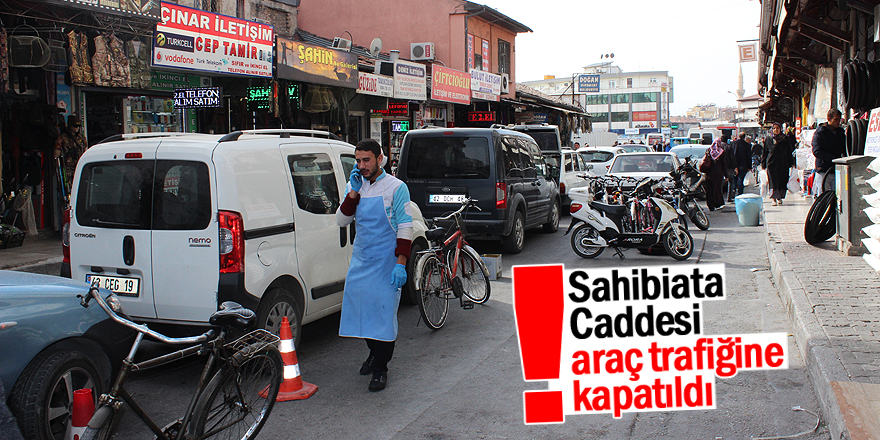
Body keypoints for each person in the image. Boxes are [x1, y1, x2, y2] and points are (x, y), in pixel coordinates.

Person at [335, 139, 413, 392]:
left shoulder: (396, 187)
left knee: (382, 315)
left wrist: (401, 263)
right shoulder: (354, 185)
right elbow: (342, 220)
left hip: (387, 261)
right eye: (358, 160)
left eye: (366, 160)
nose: (361, 165)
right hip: (362, 259)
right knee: (361, 312)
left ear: (380, 159)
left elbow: (405, 226)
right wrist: (353, 193)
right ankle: (373, 353)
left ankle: (381, 367)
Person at [811, 108, 845, 196]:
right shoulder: (820, 133)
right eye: (836, 119)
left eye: (839, 119)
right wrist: (833, 159)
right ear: (829, 119)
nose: (838, 122)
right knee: (823, 196)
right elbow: (817, 151)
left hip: (836, 169)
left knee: (837, 195)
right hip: (823, 169)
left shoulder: (840, 133)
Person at [762, 122, 795, 206]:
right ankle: (773, 199)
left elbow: (789, 151)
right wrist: (763, 164)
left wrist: (792, 163)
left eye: (777, 128)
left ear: (780, 129)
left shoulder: (785, 139)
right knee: (772, 181)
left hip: (783, 163)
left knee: (782, 180)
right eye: (774, 128)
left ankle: (779, 197)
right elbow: (765, 152)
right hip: (772, 163)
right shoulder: (769, 139)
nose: (776, 130)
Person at [57, 114, 88, 188]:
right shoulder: (63, 138)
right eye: (75, 126)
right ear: (70, 126)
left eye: (78, 126)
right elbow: (56, 155)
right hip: (68, 168)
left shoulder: (82, 138)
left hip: (79, 165)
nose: (77, 128)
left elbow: (84, 150)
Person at [703, 137, 726, 211]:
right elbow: (724, 164)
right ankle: (718, 203)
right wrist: (726, 175)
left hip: (709, 173)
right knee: (717, 189)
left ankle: (710, 205)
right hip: (718, 173)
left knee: (709, 190)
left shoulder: (709, 150)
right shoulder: (721, 152)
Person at [732, 132, 753, 197]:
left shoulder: (733, 144)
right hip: (744, 165)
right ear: (744, 137)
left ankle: (733, 191)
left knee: (734, 179)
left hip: (734, 165)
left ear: (738, 136)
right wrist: (749, 166)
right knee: (741, 179)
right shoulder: (747, 145)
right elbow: (748, 156)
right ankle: (740, 193)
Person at [721, 136, 737, 202]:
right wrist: (735, 166)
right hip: (729, 167)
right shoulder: (729, 147)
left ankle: (720, 198)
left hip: (720, 167)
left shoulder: (718, 147)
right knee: (731, 182)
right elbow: (732, 157)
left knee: (720, 183)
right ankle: (729, 197)